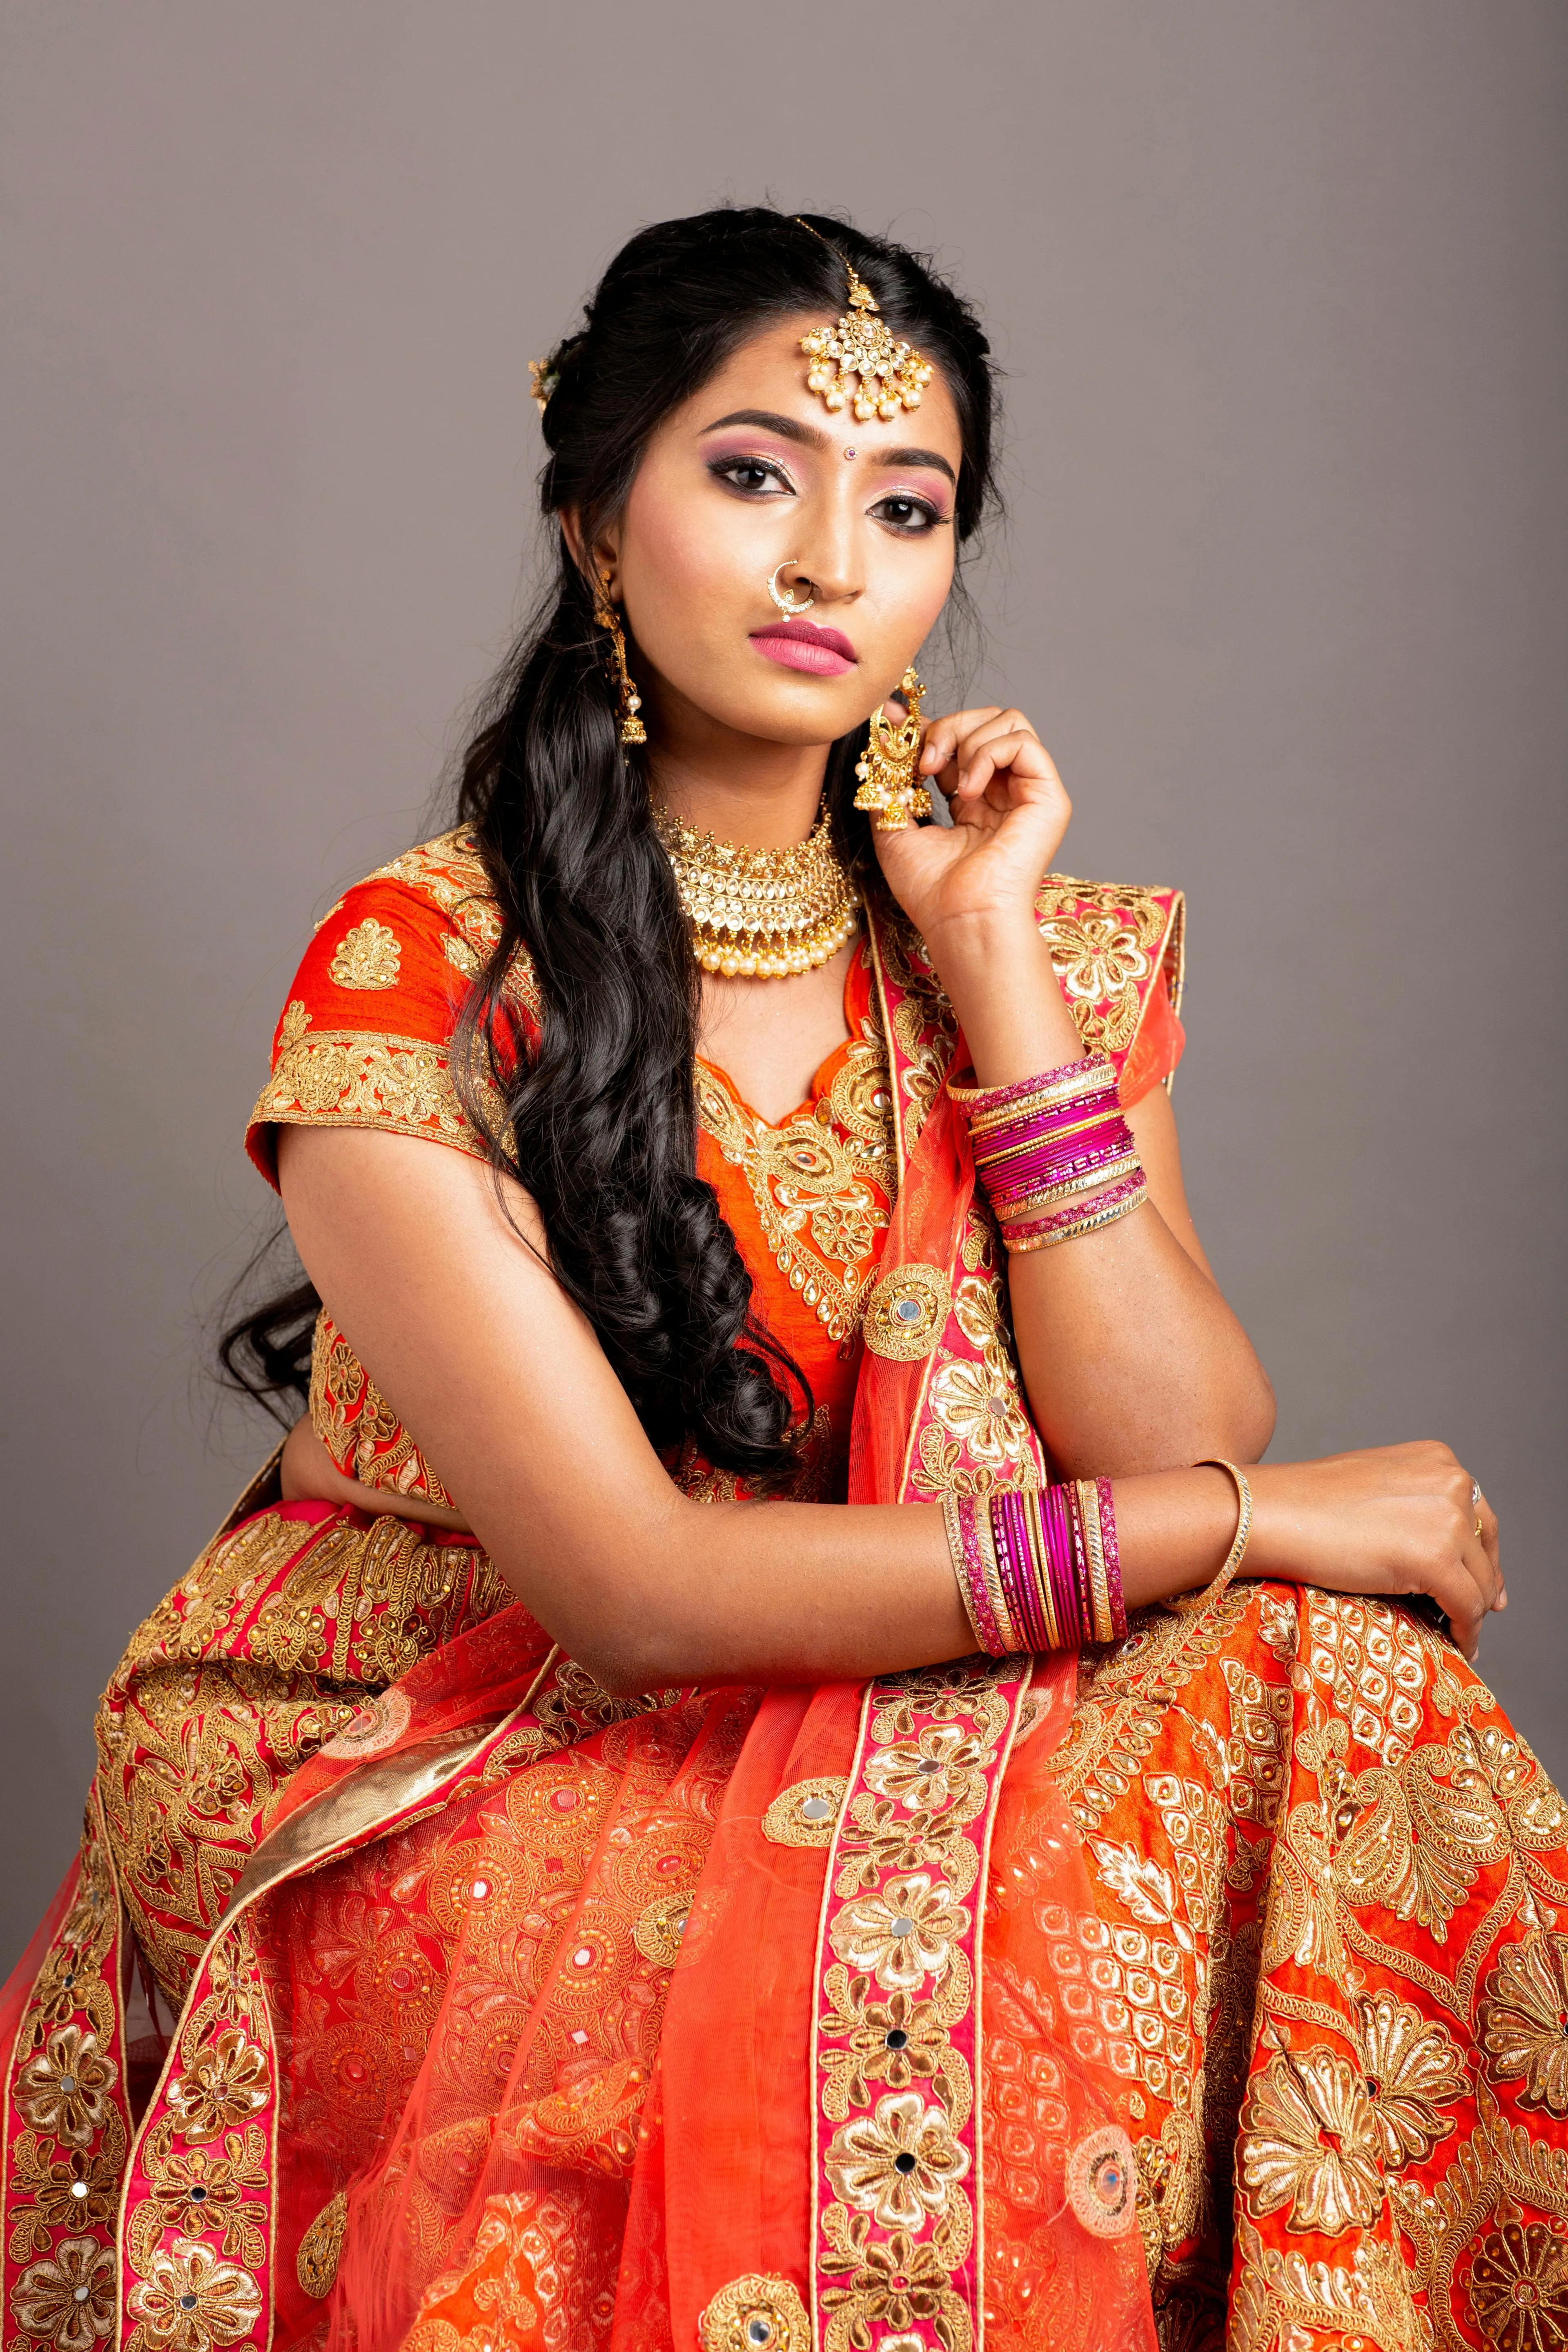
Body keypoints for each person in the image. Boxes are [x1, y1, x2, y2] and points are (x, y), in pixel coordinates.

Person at [3, 207, 1563, 2352]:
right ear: (594, 518)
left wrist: (994, 966)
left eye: (905, 508)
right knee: (906, 1940)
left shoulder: (1028, 943)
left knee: (1351, 1702)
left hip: (905, 1667)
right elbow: (640, 1593)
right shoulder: (425, 973)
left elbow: (1170, 1426)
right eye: (755, 475)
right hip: (478, 1731)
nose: (830, 562)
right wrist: (1253, 1526)